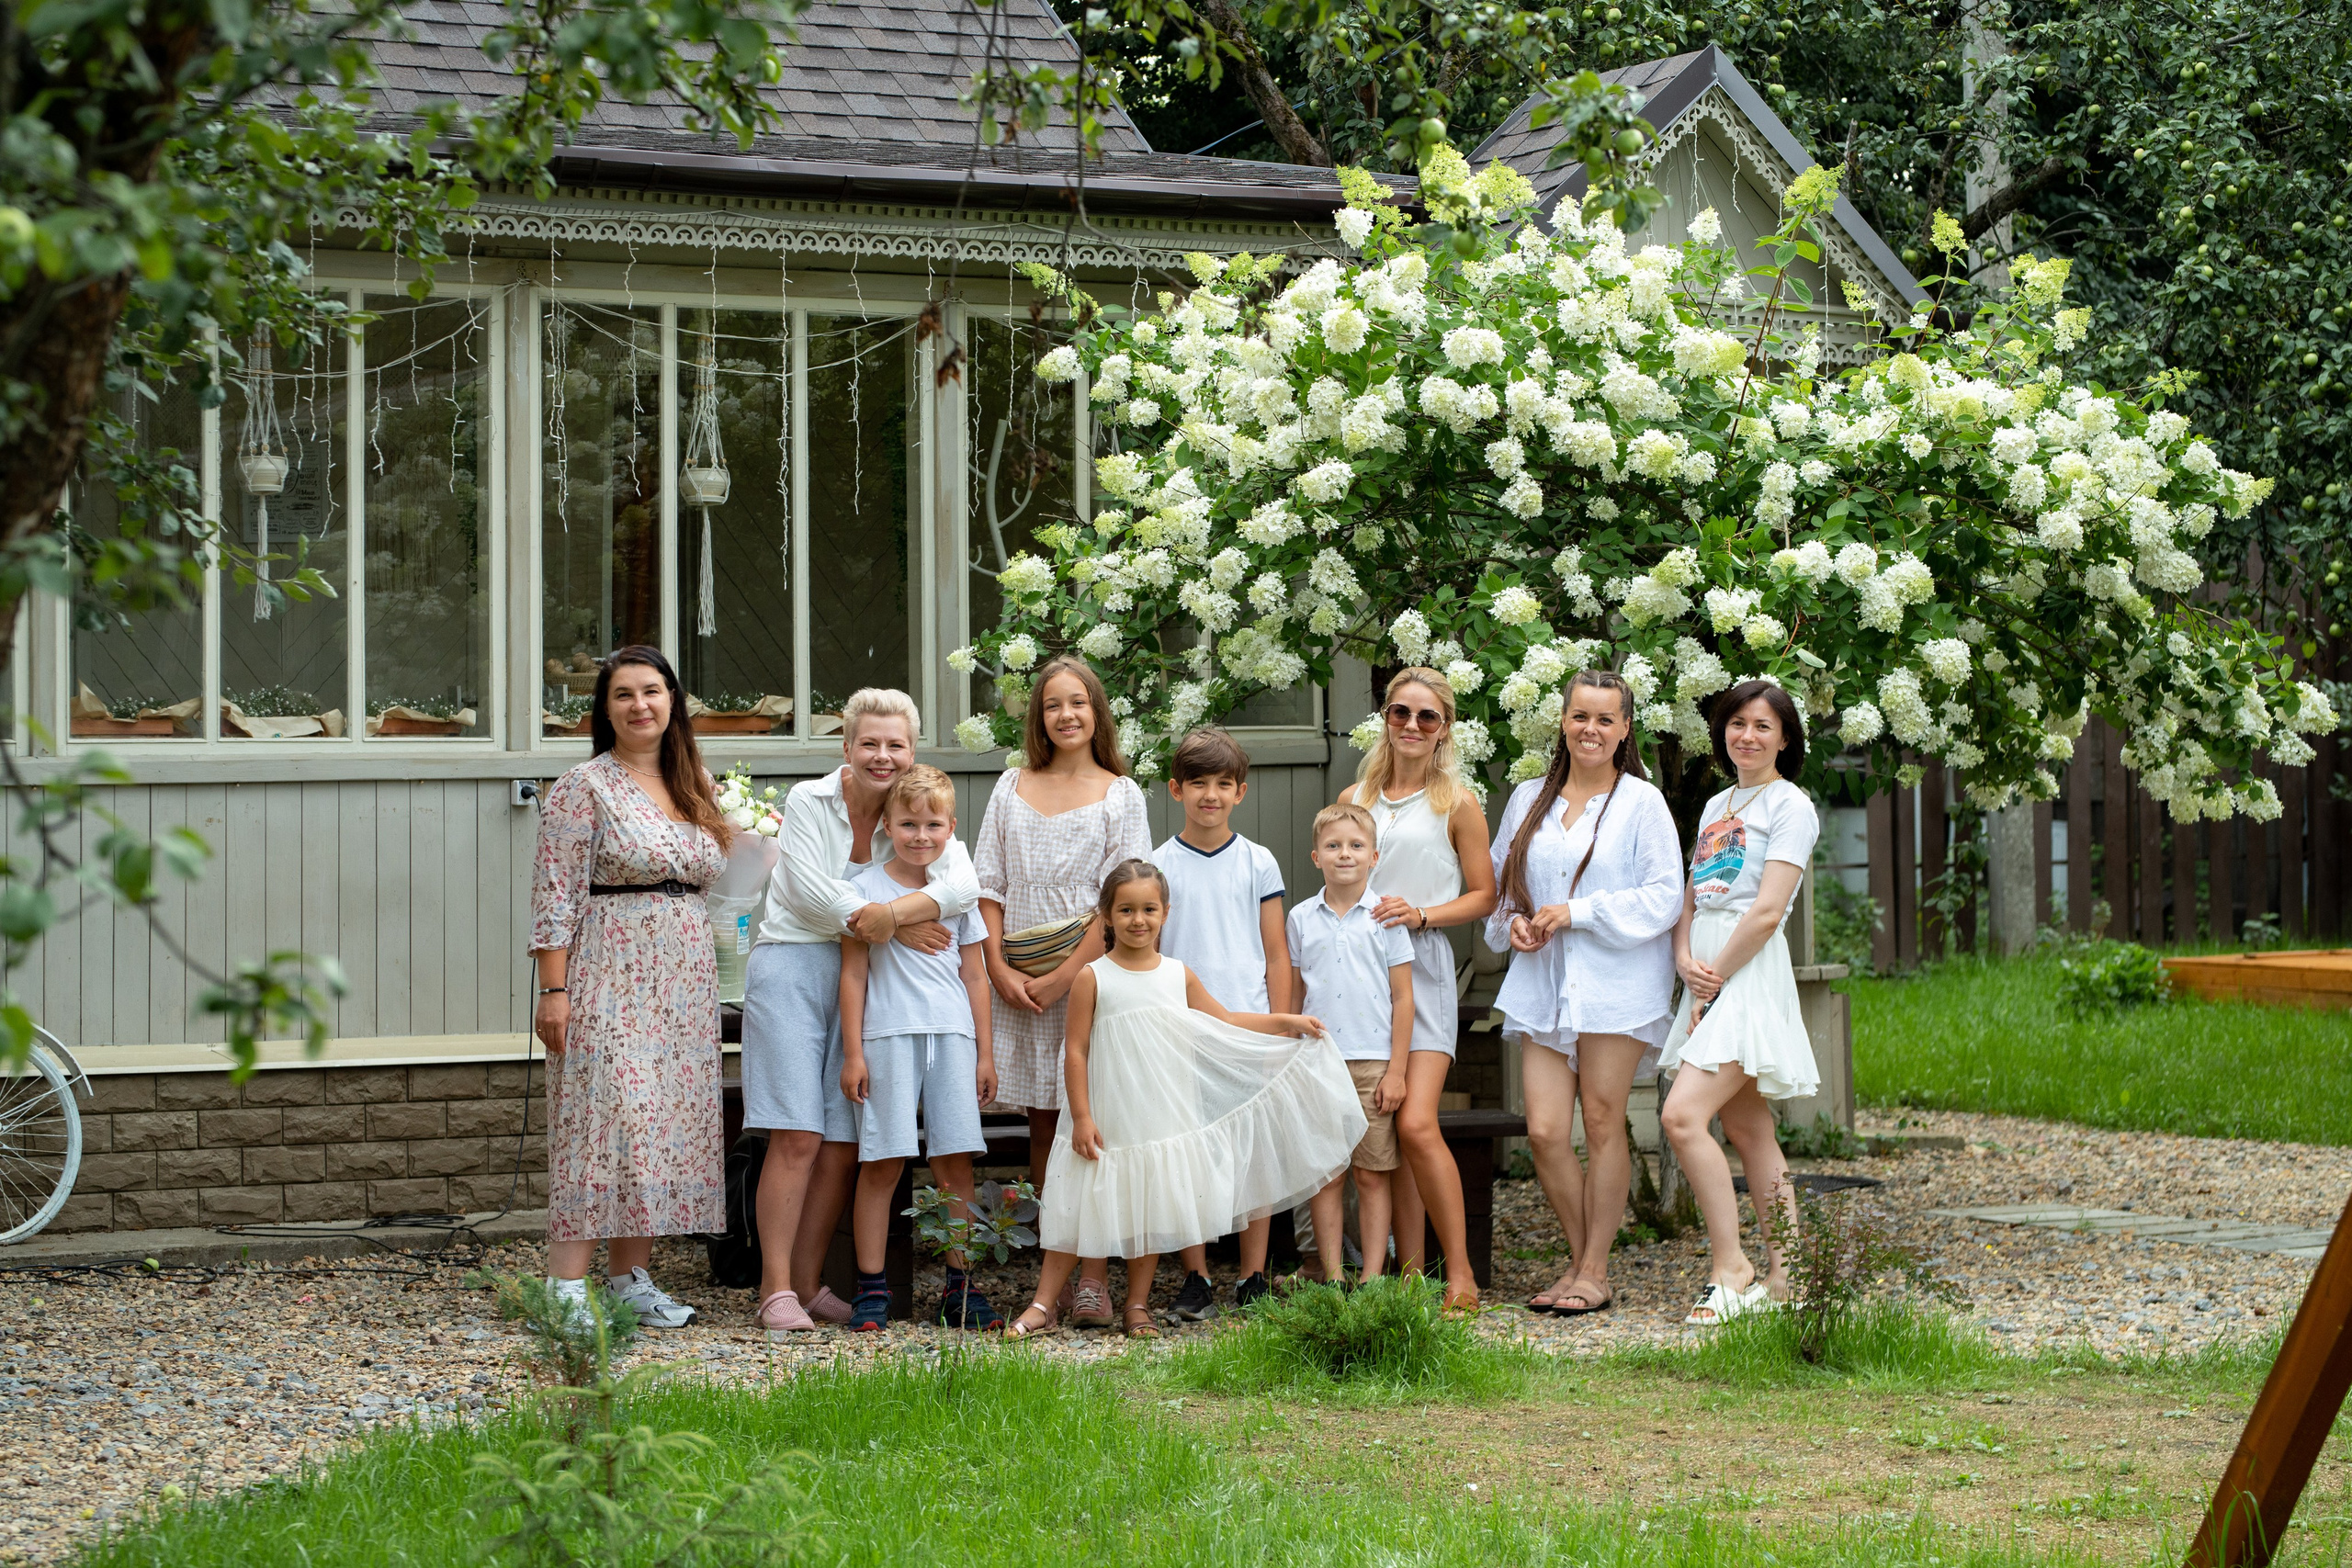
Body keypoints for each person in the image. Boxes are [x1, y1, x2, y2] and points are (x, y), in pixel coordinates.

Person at [1005, 861, 1364, 1339]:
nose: (1138, 920)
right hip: (1108, 1111)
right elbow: (1075, 1049)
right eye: (1126, 910)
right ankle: (1043, 1304)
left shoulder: (1177, 974)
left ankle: (1137, 1304)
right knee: (1083, 1204)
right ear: (1106, 918)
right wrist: (1084, 1115)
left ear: (1166, 913)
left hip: (1159, 1110)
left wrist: (1286, 1022)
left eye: (1149, 909)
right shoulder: (1094, 976)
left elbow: (1225, 1018)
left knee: (1149, 1205)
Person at [740, 689, 980, 1336]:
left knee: (843, 1145)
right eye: (869, 742)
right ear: (845, 747)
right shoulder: (807, 802)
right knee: (796, 1134)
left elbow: (961, 886)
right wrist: (899, 923)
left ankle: (813, 1283)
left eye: (895, 744)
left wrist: (893, 915)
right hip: (795, 964)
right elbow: (808, 893)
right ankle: (775, 1288)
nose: (882, 755)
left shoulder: (917, 812)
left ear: (912, 751)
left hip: (873, 984)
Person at [529, 646, 730, 1329]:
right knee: (602, 1120)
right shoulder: (583, 786)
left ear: (673, 701)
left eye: (652, 691)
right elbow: (554, 895)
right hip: (607, 970)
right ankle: (563, 1287)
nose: (640, 704)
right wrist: (553, 990)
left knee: (659, 1127)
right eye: (624, 694)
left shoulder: (693, 781)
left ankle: (628, 1279)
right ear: (605, 708)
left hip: (682, 977)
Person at [1485, 671, 1683, 1316]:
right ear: (1562, 722)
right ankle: (1579, 1259)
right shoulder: (1526, 799)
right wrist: (1512, 923)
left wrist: (1579, 911)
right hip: (1543, 982)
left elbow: (1664, 895)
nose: (1590, 729)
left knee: (1601, 1118)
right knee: (1543, 1130)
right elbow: (1502, 889)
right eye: (1580, 716)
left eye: (1605, 719)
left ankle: (1593, 1270)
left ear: (1626, 728)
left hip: (1614, 982)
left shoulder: (1641, 802)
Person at [974, 657, 1151, 1328]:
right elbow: (987, 884)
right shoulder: (1010, 784)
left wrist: (1062, 979)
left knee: (1090, 1117)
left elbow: (1121, 901)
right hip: (1016, 980)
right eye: (1053, 704)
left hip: (1086, 979)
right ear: (1039, 716)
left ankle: (1095, 1278)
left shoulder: (1121, 793)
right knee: (1043, 1125)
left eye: (1078, 702)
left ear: (1096, 712)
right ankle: (1055, 1259)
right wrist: (998, 969)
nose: (1066, 714)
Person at [1658, 679, 1822, 1326]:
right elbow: (1695, 893)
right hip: (1708, 967)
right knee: (1749, 1127)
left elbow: (1766, 911)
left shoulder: (1791, 805)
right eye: (1737, 723)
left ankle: (1732, 1267)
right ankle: (1791, 1276)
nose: (1747, 736)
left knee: (1680, 1117)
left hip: (1745, 971)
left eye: (1763, 725)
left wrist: (1715, 978)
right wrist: (1683, 957)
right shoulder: (1717, 804)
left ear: (1785, 737)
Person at [1338, 666, 1497, 1311]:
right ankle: (1407, 1274)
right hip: (1363, 972)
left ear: (1444, 729)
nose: (1411, 725)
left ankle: (1459, 1272)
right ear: (1385, 718)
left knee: (1419, 1119)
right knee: (1386, 1121)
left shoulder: (1457, 801)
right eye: (1400, 712)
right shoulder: (1358, 794)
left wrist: (1424, 914)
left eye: (1426, 716)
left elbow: (1486, 894)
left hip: (1422, 967)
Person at [837, 766, 1001, 1333]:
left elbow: (975, 976)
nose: (921, 835)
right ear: (887, 824)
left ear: (951, 828)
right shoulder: (864, 890)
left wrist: (984, 1052)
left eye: (933, 824)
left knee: (954, 1163)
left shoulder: (957, 890)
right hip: (887, 1035)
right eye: (908, 823)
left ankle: (961, 1287)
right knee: (883, 1161)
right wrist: (853, 1052)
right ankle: (872, 1288)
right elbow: (853, 976)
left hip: (952, 1036)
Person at [1152, 727, 1291, 1321]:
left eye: (1223, 784)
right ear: (1175, 788)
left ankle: (1253, 1274)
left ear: (1241, 790)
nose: (1211, 794)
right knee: (1191, 1155)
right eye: (1198, 783)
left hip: (1249, 1026)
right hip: (1183, 1030)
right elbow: (1148, 954)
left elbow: (1277, 952)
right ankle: (1196, 1275)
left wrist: (1277, 1028)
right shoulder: (1157, 866)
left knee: (1253, 1153)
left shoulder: (1258, 861)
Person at [1288, 803, 1415, 1289]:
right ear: (1316, 856)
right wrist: (1293, 1055)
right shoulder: (1301, 918)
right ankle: (1333, 1275)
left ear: (1374, 856)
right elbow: (1297, 995)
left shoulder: (1385, 918)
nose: (1345, 854)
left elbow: (1403, 998)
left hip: (1373, 1064)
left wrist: (1397, 1071)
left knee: (1371, 1172)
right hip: (1319, 1062)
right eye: (1334, 846)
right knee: (1326, 1175)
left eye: (1356, 846)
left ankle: (1372, 1277)